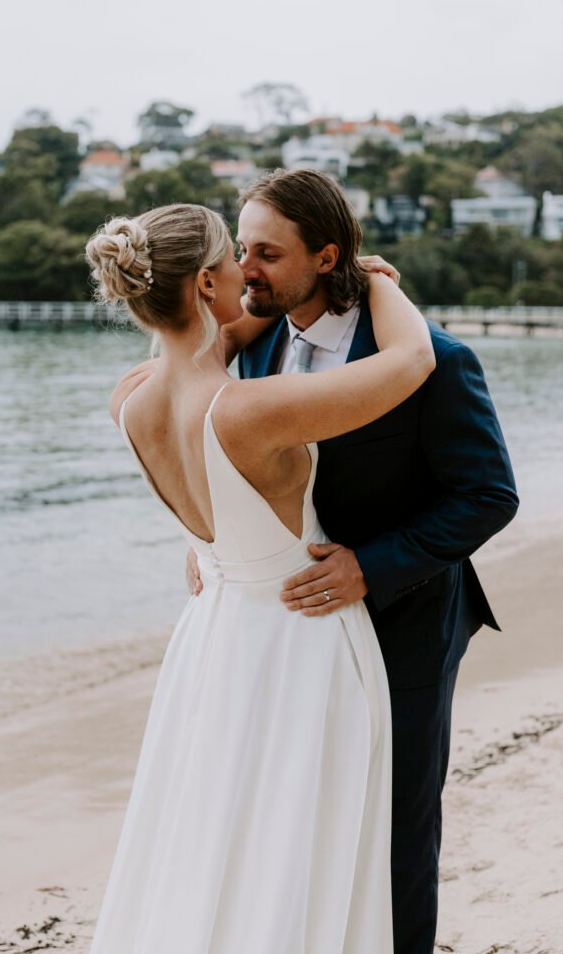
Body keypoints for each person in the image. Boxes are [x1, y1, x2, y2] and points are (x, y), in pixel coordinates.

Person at [179, 169, 519, 954]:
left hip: (405, 617)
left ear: (325, 255)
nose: (246, 270)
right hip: (291, 625)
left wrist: (370, 565)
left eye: (267, 252)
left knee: (394, 821)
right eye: (242, 249)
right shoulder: (252, 342)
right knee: (298, 810)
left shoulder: (434, 359)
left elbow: (488, 495)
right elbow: (230, 459)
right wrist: (207, 539)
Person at [85, 201, 435, 952]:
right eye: (232, 263)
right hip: (298, 639)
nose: (249, 271)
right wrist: (376, 282)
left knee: (213, 828)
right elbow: (411, 362)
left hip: (213, 635)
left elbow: (209, 339)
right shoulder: (247, 409)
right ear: (208, 284)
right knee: (298, 842)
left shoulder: (130, 399)